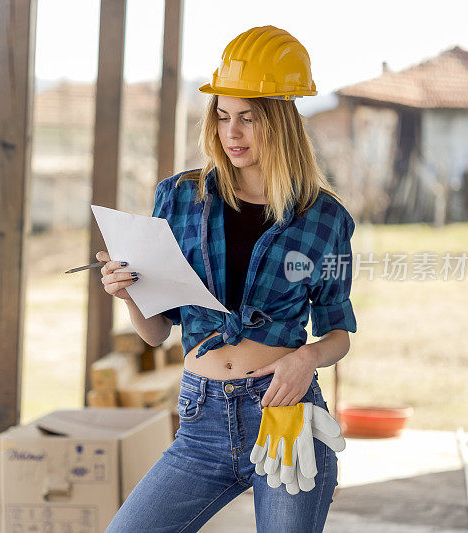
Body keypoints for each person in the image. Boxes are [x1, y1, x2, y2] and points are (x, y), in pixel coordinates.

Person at [98, 25, 357, 532]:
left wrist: (306, 358)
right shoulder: (180, 198)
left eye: (248, 119)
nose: (231, 134)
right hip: (201, 423)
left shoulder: (326, 219)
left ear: (281, 122)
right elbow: (157, 331)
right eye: (222, 117)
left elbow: (338, 334)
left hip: (284, 420)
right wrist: (129, 294)